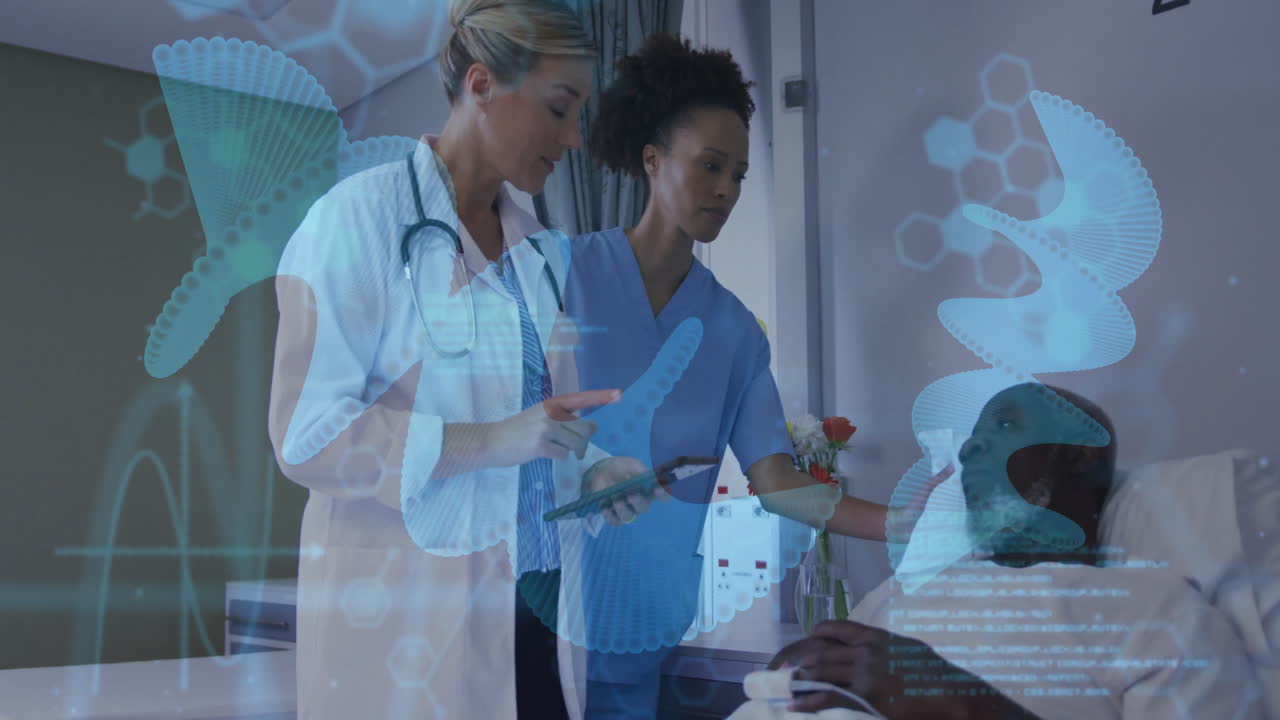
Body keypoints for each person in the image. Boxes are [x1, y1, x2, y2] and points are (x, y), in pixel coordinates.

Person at [267, 1, 658, 718]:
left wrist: (594, 478)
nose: (574, 138)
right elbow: (305, 433)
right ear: (481, 86)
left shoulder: (539, 252)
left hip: (533, 628)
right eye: (558, 109)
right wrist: (483, 441)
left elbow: (536, 438)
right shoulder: (356, 220)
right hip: (406, 636)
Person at [559, 33, 947, 718]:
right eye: (710, 166)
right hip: (535, 611)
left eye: (738, 174)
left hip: (640, 629)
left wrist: (904, 524)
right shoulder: (563, 275)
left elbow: (780, 486)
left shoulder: (734, 332)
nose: (726, 190)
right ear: (652, 161)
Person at [767, 383, 1262, 719]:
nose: (968, 450)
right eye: (971, 439)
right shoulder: (899, 593)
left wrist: (963, 704)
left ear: (1082, 451)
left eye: (1003, 427)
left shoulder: (1159, 614)